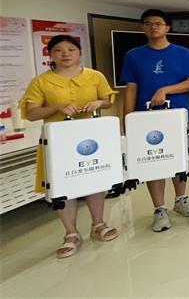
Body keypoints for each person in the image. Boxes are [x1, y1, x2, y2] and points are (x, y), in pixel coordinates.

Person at [20, 35, 118, 258]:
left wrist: (99, 103)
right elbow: (31, 113)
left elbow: (107, 100)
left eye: (71, 49)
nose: (65, 54)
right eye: (59, 50)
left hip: (91, 139)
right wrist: (56, 107)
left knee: (95, 178)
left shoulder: (95, 76)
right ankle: (71, 233)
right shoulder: (41, 81)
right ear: (50, 54)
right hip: (58, 143)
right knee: (63, 185)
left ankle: (98, 224)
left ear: (79, 52)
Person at [121, 9, 189, 232]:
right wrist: (127, 120)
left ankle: (181, 199)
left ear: (167, 27)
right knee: (153, 161)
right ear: (142, 28)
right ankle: (159, 209)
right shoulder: (133, 56)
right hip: (145, 118)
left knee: (178, 158)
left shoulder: (183, 53)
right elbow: (131, 89)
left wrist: (165, 90)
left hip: (176, 115)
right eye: (148, 23)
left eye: (158, 23)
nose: (153, 27)